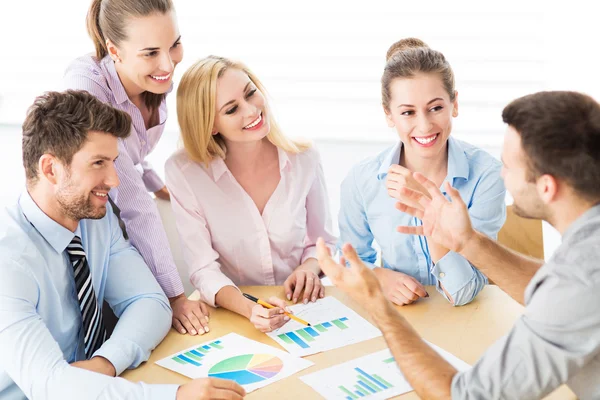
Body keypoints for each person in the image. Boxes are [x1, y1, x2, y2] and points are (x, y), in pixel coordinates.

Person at [318, 91, 600, 399]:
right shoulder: (585, 250)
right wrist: (468, 243)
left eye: (508, 166)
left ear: (546, 187)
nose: (500, 173)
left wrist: (379, 308)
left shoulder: (580, 279)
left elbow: (464, 397)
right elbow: (554, 289)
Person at [0, 91, 245, 399]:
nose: (114, 180)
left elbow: (150, 301)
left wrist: (105, 363)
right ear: (50, 169)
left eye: (113, 162)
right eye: (98, 163)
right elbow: (52, 385)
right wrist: (176, 396)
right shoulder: (8, 260)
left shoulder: (95, 221)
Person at [62, 0, 210, 336]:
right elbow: (134, 204)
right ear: (114, 50)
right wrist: (176, 297)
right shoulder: (88, 90)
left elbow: (134, 149)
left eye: (174, 45)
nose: (168, 63)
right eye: (151, 52)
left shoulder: (153, 79)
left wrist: (155, 182)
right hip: (85, 219)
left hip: (116, 208)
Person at [165, 56, 337, 333]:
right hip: (234, 316)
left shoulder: (304, 158)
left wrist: (309, 268)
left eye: (250, 93)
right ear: (210, 124)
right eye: (232, 109)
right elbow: (203, 269)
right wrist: (250, 308)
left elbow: (323, 242)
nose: (251, 110)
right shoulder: (185, 172)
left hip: (301, 307)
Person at [338, 38, 506, 306]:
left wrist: (428, 208)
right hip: (402, 318)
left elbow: (465, 291)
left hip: (467, 320)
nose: (425, 125)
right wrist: (379, 277)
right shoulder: (362, 180)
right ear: (389, 115)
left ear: (455, 104)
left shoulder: (486, 175)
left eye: (436, 108)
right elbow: (348, 259)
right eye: (407, 112)